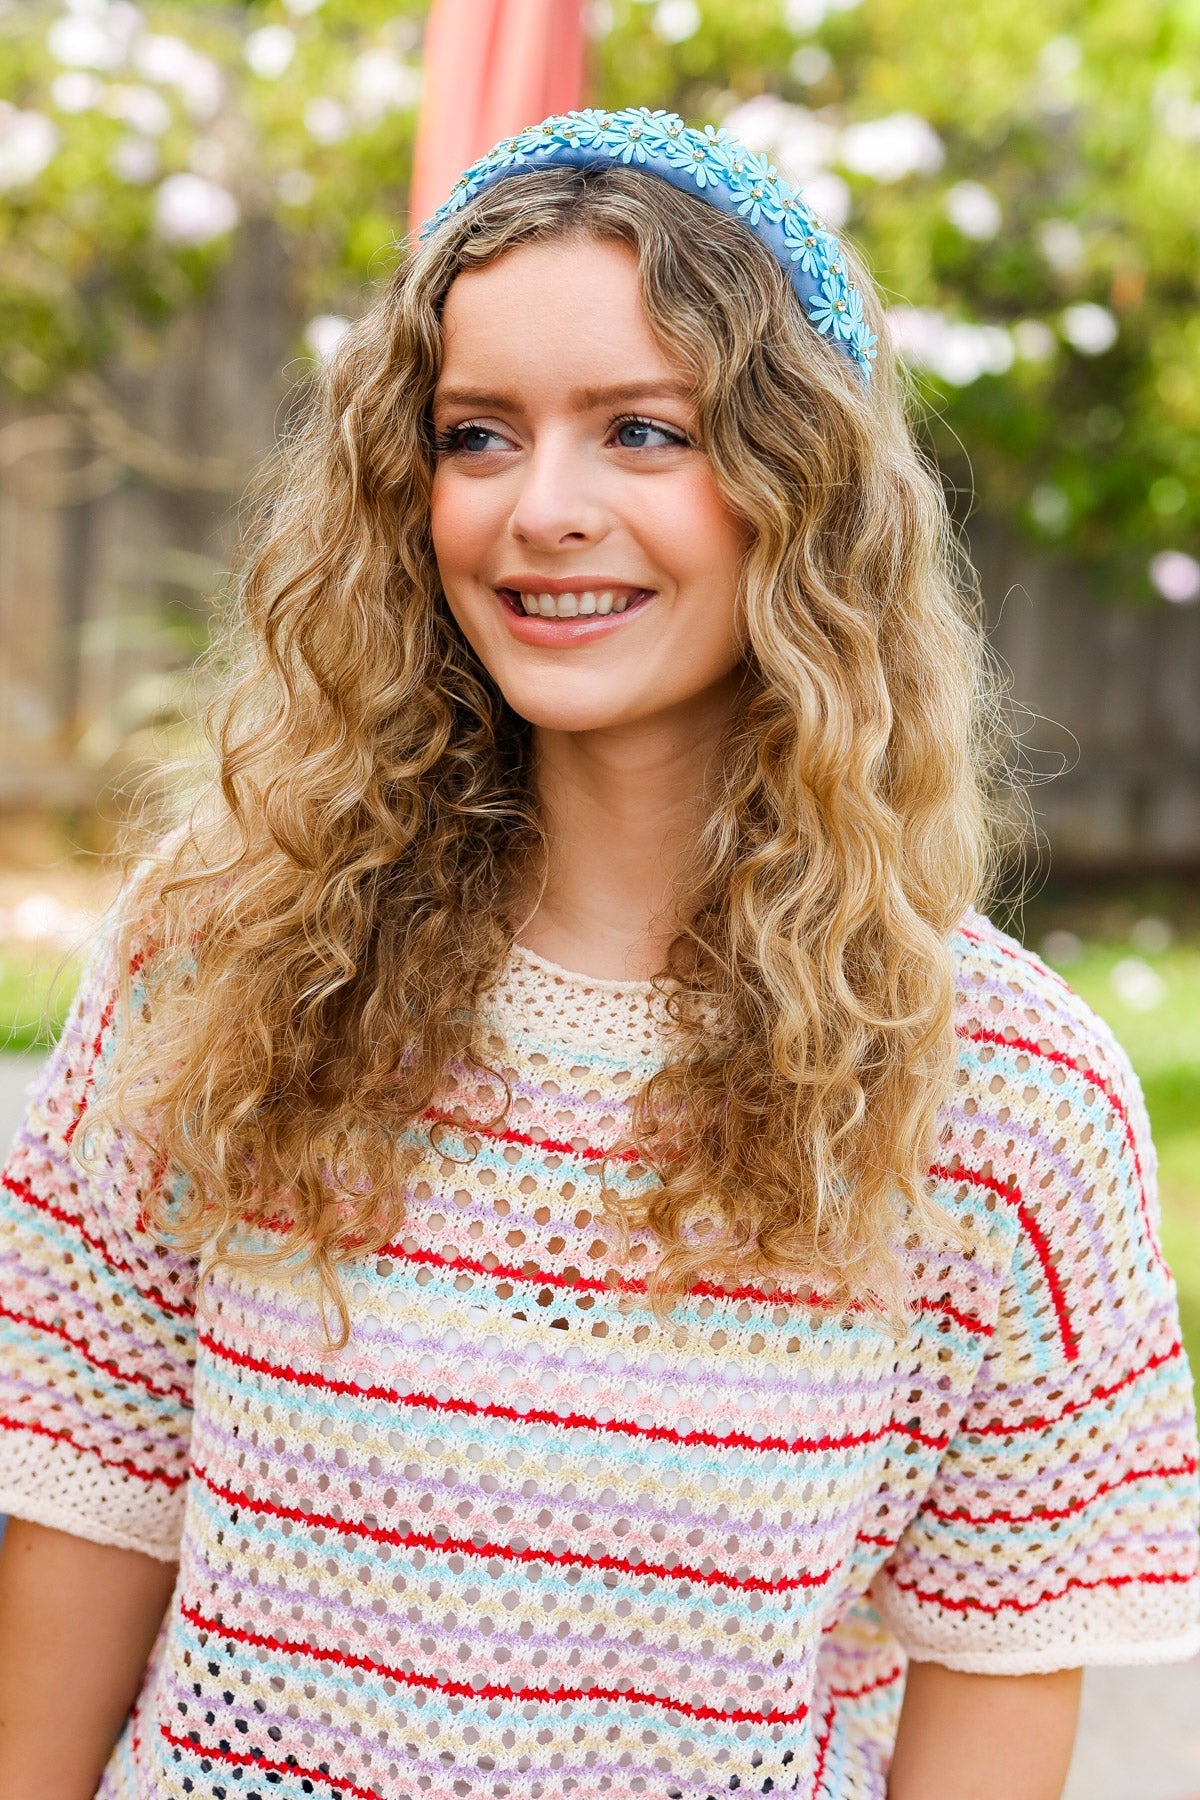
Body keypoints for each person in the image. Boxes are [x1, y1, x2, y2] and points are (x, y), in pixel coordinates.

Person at [0, 106, 1195, 1800]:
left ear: (800, 486)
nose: (541, 509)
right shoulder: (220, 962)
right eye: (476, 436)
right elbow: (89, 1506)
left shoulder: (1005, 1094)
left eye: (644, 430)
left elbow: (995, 1683)